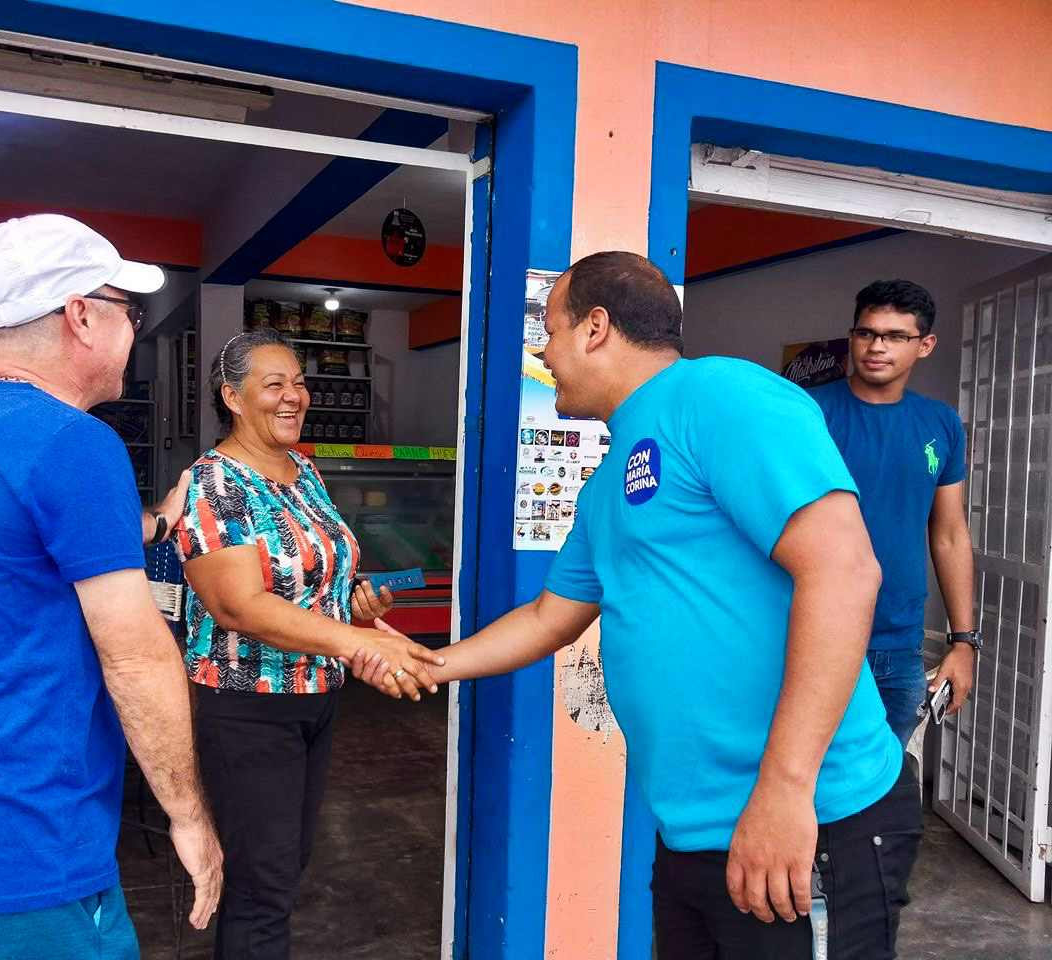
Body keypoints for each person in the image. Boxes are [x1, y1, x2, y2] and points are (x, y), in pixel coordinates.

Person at [355, 252, 919, 959]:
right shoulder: (605, 483)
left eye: (550, 331)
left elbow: (844, 572)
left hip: (805, 816)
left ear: (596, 328)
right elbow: (546, 619)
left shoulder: (721, 395)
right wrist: (427, 663)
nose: (543, 352)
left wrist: (783, 792)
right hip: (694, 832)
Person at [0, 214, 222, 960]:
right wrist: (189, 819)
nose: (134, 329)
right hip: (24, 872)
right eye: (129, 311)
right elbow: (136, 660)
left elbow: (31, 558)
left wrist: (160, 522)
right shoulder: (75, 442)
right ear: (81, 317)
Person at [172, 326, 443, 959]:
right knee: (261, 886)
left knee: (286, 866)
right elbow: (239, 605)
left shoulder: (305, 471)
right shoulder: (216, 482)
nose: (294, 396)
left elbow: (317, 583)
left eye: (298, 382)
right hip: (249, 705)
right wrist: (353, 641)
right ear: (232, 397)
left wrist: (359, 605)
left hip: (315, 698)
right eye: (274, 385)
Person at [810, 280, 976, 747]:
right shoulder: (808, 413)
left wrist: (963, 642)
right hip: (809, 633)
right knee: (800, 781)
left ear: (925, 345)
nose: (876, 346)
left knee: (881, 784)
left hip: (898, 644)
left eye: (895, 336)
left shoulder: (940, 423)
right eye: (866, 333)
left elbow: (948, 534)